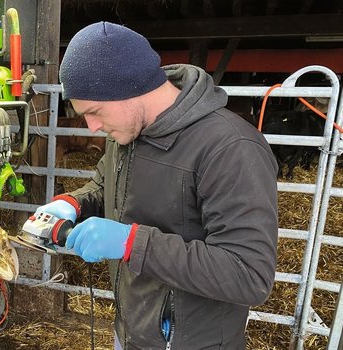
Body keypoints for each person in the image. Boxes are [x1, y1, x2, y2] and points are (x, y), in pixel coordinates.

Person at [36, 22, 278, 349]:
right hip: (133, 329)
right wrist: (73, 203)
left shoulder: (229, 148)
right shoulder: (128, 132)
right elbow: (105, 185)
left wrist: (131, 244)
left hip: (189, 342)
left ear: (129, 88)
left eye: (94, 112)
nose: (92, 127)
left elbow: (249, 274)